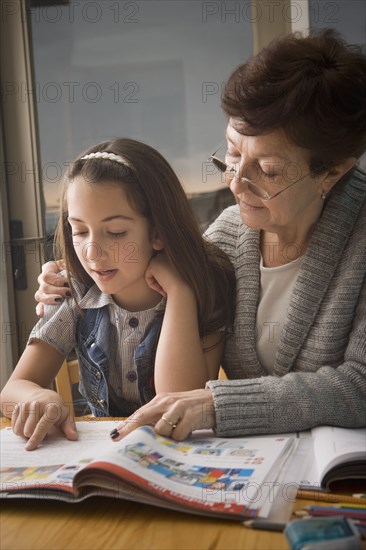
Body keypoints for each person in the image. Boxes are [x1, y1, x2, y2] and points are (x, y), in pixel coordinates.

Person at [33, 29, 366, 441]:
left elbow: (360, 385)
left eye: (269, 170)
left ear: (332, 172)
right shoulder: (226, 238)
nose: (236, 183)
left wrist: (216, 403)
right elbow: (146, 273)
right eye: (231, 153)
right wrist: (68, 274)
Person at [0, 138, 235, 449]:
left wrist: (179, 292)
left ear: (158, 232)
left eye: (116, 232)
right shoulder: (74, 293)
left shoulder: (204, 290)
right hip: (101, 454)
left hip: (175, 453)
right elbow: (11, 391)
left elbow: (176, 404)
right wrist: (36, 395)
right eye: (79, 231)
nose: (93, 252)